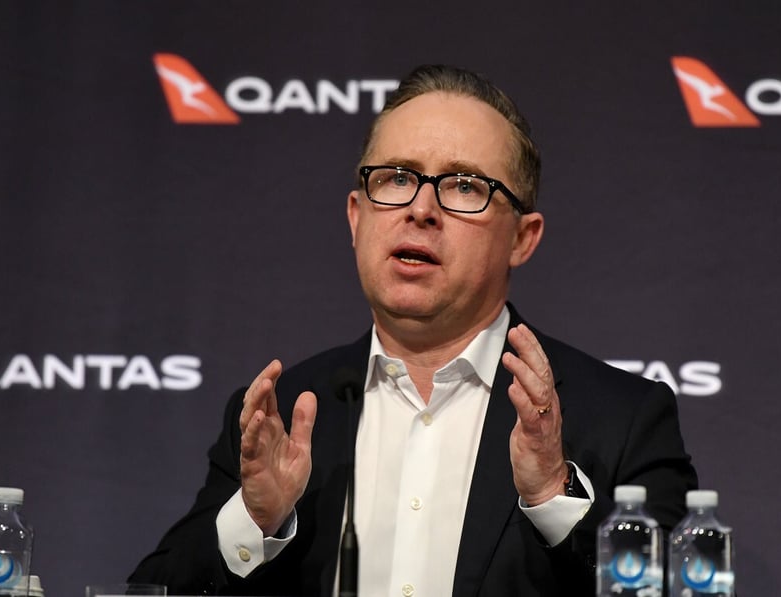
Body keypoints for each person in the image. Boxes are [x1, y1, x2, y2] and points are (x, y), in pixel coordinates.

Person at [130, 64, 697, 596]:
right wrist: (255, 520)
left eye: (465, 186)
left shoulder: (622, 420)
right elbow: (154, 589)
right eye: (397, 178)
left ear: (523, 238)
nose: (422, 208)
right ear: (357, 217)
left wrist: (553, 496)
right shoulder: (280, 416)